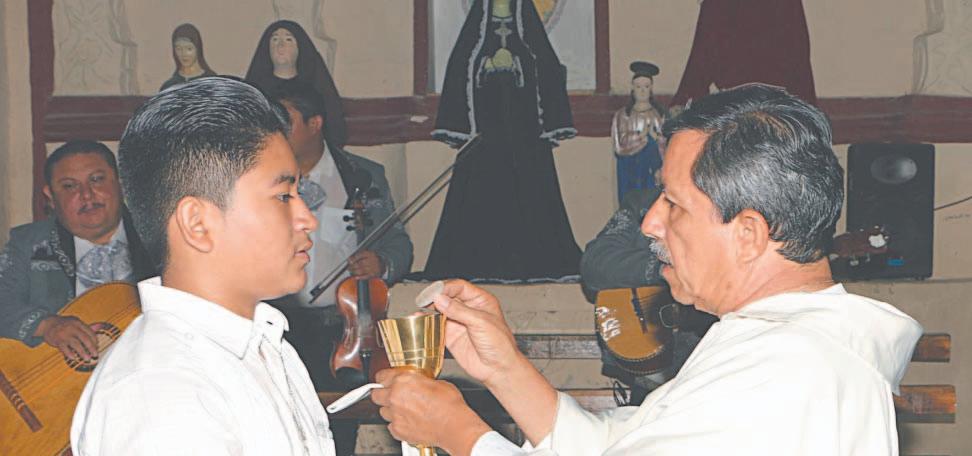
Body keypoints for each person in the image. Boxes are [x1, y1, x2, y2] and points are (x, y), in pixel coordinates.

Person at [372, 84, 924, 455]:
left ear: (748, 234)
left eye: (674, 203)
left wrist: (459, 432)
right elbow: (621, 445)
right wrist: (506, 370)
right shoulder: (776, 344)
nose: (651, 223)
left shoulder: (784, 369)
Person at [71, 78, 336, 455]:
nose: (307, 219)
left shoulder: (266, 343)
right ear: (197, 223)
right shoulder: (162, 393)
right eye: (283, 196)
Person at [267, 80, 413, 455]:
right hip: (276, 325)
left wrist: (381, 263)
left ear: (315, 123)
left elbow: (398, 244)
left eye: (285, 120)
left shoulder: (360, 176)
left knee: (336, 436)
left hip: (340, 332)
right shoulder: (261, 177)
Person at [421, 0, 581, 281]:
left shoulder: (528, 33)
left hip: (525, 141)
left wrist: (518, 64)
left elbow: (546, 69)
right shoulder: (476, 34)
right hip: (486, 141)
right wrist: (487, 64)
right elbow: (461, 68)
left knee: (534, 201)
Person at [0, 140, 155, 362]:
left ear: (120, 183)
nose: (87, 194)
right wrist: (47, 325)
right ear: (51, 196)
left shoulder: (161, 239)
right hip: (60, 380)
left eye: (97, 179)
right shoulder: (29, 243)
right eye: (69, 186)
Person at [580, 188, 715, 404]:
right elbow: (596, 262)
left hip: (717, 364)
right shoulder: (644, 203)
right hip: (655, 368)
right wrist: (665, 270)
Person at [246, 20, 348, 149]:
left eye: (288, 40)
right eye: (275, 40)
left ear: (300, 47)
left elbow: (333, 129)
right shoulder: (256, 91)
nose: (280, 46)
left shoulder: (314, 91)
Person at [611, 61, 667, 202]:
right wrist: (640, 136)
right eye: (638, 87)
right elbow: (619, 145)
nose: (642, 91)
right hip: (630, 167)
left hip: (652, 169)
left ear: (651, 88)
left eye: (646, 87)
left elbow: (667, 142)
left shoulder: (659, 115)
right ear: (632, 88)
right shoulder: (623, 115)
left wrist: (656, 138)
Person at [159, 23, 217, 91]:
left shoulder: (212, 82)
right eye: (179, 49)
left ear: (198, 49)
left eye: (189, 49)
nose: (184, 54)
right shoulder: (169, 86)